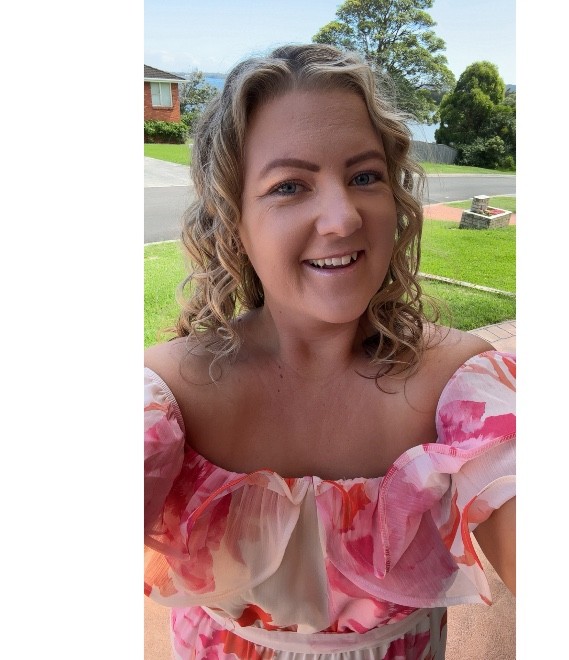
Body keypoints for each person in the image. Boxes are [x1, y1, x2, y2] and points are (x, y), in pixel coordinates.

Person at [144, 43, 515, 660]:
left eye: (364, 177)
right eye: (290, 186)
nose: (343, 218)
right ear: (233, 218)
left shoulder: (463, 386)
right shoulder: (166, 398)